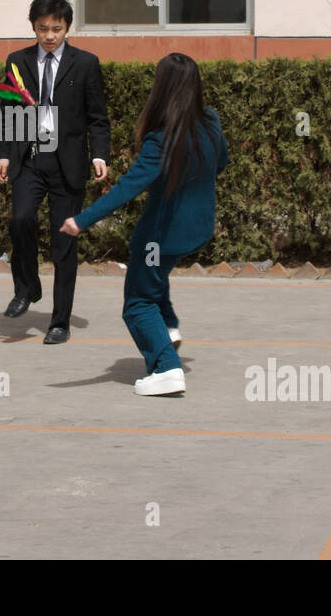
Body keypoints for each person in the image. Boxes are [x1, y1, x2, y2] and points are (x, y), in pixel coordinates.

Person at [60, 53, 228, 396]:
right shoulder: (210, 121)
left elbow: (125, 189)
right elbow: (220, 162)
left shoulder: (160, 140)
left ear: (161, 89)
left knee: (137, 300)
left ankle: (167, 369)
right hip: (196, 232)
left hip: (157, 241)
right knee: (155, 277)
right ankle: (167, 327)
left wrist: (80, 220)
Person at [0, 0, 110, 344]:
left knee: (64, 245)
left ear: (67, 28)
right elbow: (8, 111)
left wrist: (99, 155)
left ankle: (60, 322)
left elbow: (98, 117)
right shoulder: (17, 61)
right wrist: (3, 154)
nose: (49, 36)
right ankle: (27, 287)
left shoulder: (86, 63)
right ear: (33, 27)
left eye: (56, 29)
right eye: (42, 28)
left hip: (67, 165)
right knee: (20, 220)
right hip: (29, 160)